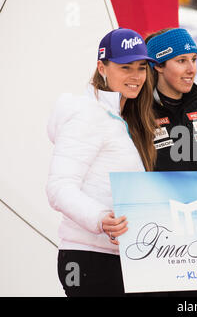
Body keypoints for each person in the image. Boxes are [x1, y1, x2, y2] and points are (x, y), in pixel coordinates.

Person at [46, 28, 159, 297]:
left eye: (142, 67)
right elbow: (59, 187)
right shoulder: (88, 114)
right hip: (90, 259)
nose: (136, 76)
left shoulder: (119, 118)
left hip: (120, 258)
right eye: (126, 67)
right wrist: (99, 219)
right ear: (102, 67)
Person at [145, 27, 197, 296]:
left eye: (194, 59)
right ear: (159, 66)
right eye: (181, 60)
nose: (191, 69)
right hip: (153, 238)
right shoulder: (138, 111)